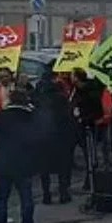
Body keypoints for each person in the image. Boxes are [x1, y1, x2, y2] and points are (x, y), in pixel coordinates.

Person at [0, 90, 39, 223]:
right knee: (26, 197)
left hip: (3, 162)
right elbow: (38, 138)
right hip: (24, 162)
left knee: (1, 198)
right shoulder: (31, 117)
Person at [34, 70, 77, 205]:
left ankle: (46, 194)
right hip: (61, 137)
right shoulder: (61, 98)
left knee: (44, 169)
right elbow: (69, 118)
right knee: (63, 167)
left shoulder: (38, 99)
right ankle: (63, 193)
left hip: (43, 137)